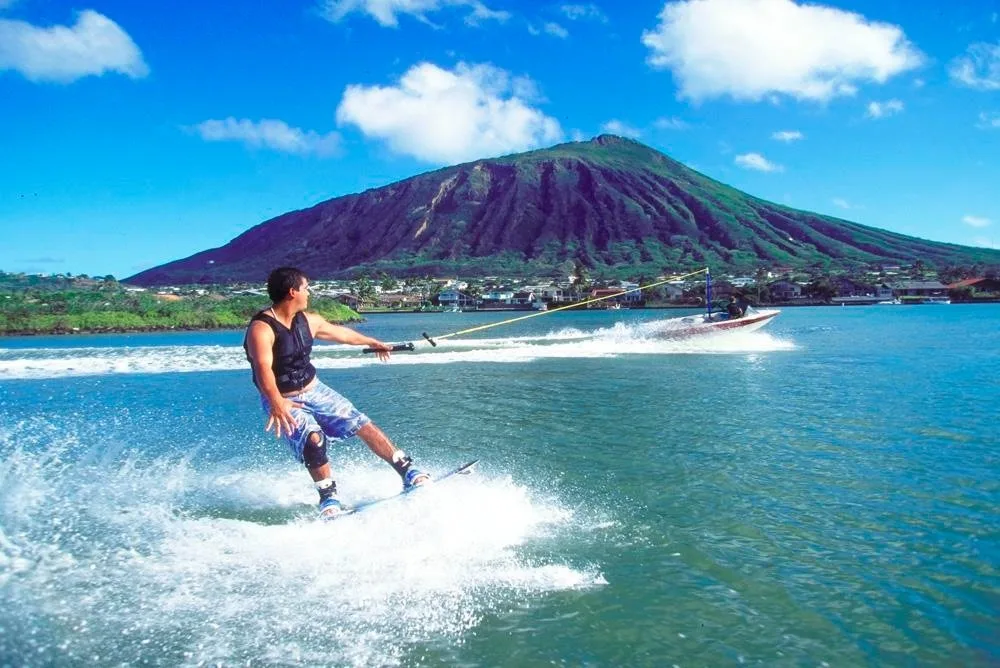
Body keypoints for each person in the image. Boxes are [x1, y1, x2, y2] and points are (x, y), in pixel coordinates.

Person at [243, 267, 430, 518]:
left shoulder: (309, 320)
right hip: (283, 399)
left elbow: (341, 334)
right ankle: (329, 499)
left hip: (314, 389)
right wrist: (276, 402)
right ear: (292, 292)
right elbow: (262, 368)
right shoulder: (261, 328)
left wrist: (372, 342)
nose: (308, 292)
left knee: (361, 423)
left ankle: (408, 471)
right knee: (313, 440)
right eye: (306, 287)